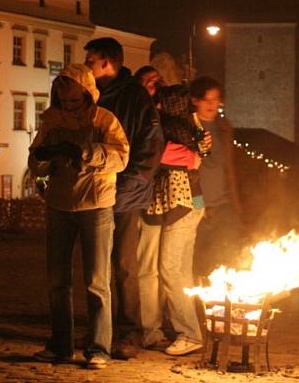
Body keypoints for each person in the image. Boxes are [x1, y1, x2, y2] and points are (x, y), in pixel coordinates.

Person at [28, 64, 129, 370]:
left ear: (87, 94)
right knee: (57, 281)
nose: (69, 106)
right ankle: (61, 345)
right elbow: (35, 159)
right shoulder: (51, 119)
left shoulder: (104, 119)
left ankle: (99, 348)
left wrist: (86, 152)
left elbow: (121, 157)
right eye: (64, 101)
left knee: (97, 282)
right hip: (59, 204)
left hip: (95, 205)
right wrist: (43, 159)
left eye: (75, 101)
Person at [84, 38, 165, 358]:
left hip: (124, 195)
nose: (87, 65)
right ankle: (99, 331)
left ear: (107, 62)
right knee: (96, 267)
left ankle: (130, 332)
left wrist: (130, 184)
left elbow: (150, 145)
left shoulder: (133, 96)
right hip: (92, 192)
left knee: (124, 265)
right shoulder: (90, 94)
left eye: (91, 60)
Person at [139, 79, 206, 356]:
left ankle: (189, 333)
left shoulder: (169, 127)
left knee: (170, 269)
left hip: (182, 203)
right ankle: (187, 330)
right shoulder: (187, 124)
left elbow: (157, 154)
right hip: (188, 202)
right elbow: (195, 157)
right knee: (179, 270)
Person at [189, 76, 243, 279]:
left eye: (216, 99)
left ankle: (226, 305)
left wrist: (236, 202)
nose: (212, 104)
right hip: (198, 206)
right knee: (200, 262)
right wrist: (199, 204)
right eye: (206, 99)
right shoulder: (189, 127)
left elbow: (229, 167)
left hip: (225, 204)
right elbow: (189, 172)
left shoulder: (224, 128)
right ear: (195, 100)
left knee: (229, 257)